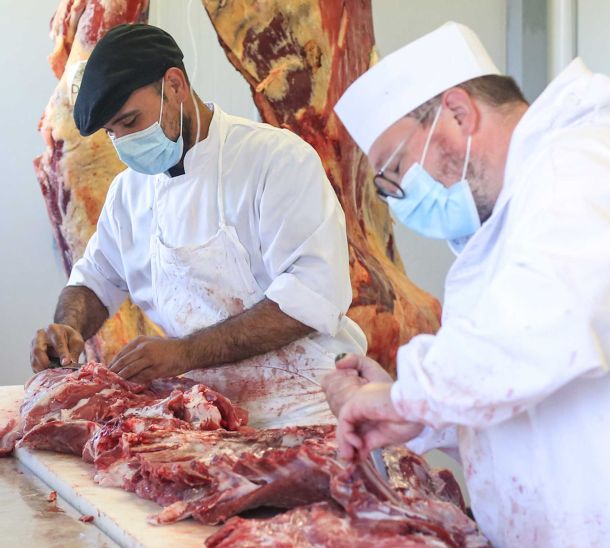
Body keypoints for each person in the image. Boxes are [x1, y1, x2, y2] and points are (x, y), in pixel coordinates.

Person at [324, 21, 610, 546]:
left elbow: (538, 330)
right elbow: (519, 394)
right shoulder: (517, 207)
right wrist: (409, 408)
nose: (400, 197)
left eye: (395, 169)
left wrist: (404, 396)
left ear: (457, 113)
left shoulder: (577, 166)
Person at [29, 23, 366, 427]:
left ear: (174, 85)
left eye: (132, 121)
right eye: (113, 133)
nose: (124, 143)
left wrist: (183, 353)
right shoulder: (129, 193)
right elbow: (95, 281)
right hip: (205, 414)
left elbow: (312, 297)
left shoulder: (275, 160)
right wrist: (67, 327)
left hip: (308, 404)